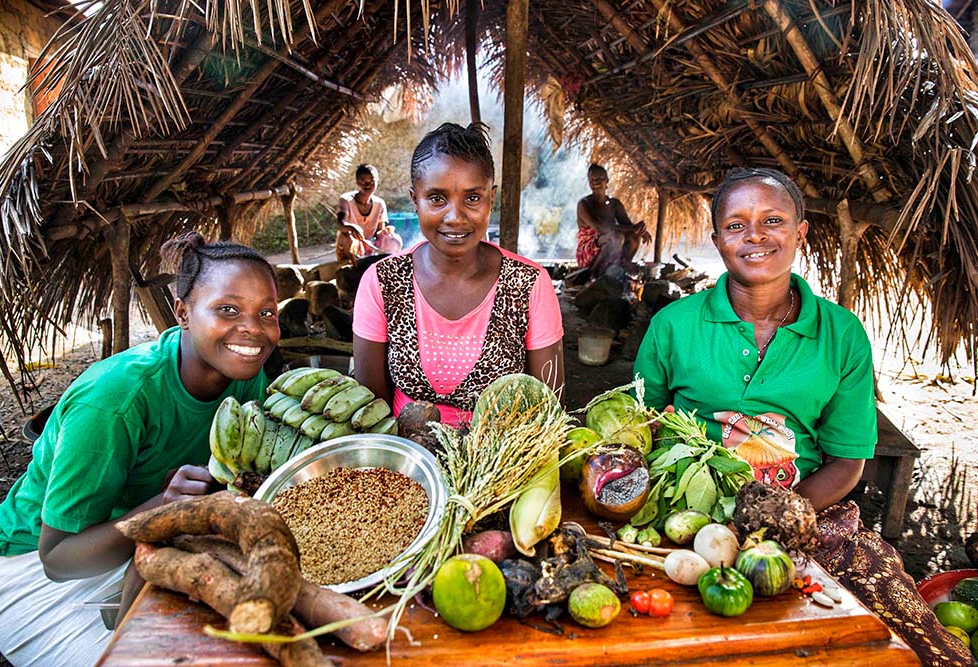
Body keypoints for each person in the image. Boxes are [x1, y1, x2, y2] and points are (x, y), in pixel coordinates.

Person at [633, 167, 973, 666]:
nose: (755, 236)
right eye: (736, 225)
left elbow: (847, 459)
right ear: (717, 239)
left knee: (902, 640)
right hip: (689, 520)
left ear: (800, 231)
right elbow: (637, 428)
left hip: (810, 514)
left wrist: (781, 516)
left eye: (773, 220)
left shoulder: (841, 334)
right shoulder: (674, 326)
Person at [0, 232, 280, 666]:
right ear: (183, 313)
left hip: (149, 541)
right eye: (228, 309)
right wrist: (163, 508)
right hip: (40, 578)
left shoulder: (243, 374)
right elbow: (58, 559)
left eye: (266, 312)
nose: (252, 328)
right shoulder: (115, 401)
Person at [352, 122, 565, 426]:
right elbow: (371, 410)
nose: (455, 217)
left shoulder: (529, 284)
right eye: (437, 198)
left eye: (473, 198)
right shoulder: (382, 282)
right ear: (415, 200)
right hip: (407, 462)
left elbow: (549, 408)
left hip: (503, 462)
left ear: (491, 199)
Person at [576, 164, 651, 278]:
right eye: (593, 179)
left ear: (607, 180)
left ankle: (622, 267)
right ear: (589, 182)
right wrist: (632, 228)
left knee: (633, 236)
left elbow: (627, 225)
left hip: (612, 248)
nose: (596, 182)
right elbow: (600, 227)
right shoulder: (584, 204)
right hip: (588, 252)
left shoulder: (614, 203)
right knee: (616, 237)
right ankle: (594, 274)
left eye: (600, 178)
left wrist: (640, 230)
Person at [335, 164, 403, 262]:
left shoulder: (379, 204)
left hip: (370, 247)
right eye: (363, 181)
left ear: (377, 181)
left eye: (371, 181)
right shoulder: (346, 200)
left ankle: (383, 261)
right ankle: (355, 265)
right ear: (357, 182)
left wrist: (386, 236)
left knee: (392, 238)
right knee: (345, 235)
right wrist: (352, 228)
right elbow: (340, 224)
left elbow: (380, 232)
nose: (367, 185)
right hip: (349, 247)